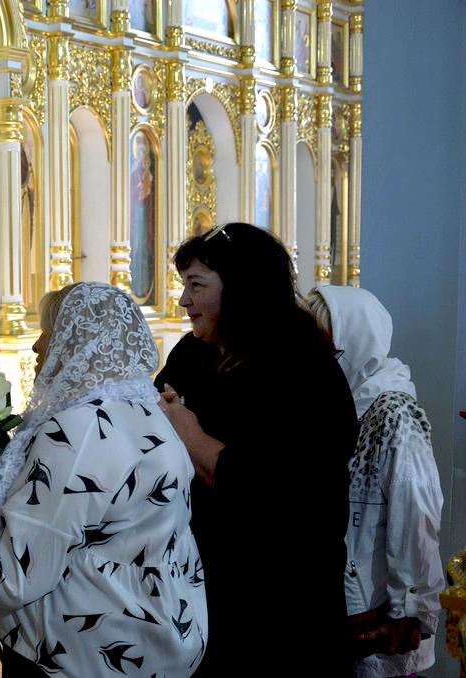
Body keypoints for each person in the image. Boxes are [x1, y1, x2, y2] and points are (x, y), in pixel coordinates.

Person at [0, 282, 208, 676]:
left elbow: (16, 575)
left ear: (76, 341)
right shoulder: (150, 410)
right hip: (161, 634)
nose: (36, 346)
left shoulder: (77, 431)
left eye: (48, 332)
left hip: (83, 652)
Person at [154, 223, 358, 676]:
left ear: (242, 288)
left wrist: (188, 431)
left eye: (196, 286)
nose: (184, 300)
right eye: (184, 285)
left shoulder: (303, 370)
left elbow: (265, 488)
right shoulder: (194, 352)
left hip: (281, 594)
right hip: (204, 579)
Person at [306, 285, 445, 677]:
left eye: (322, 344)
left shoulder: (393, 410)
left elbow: (415, 515)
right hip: (344, 607)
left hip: (378, 613)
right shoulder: (335, 405)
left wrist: (409, 610)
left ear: (352, 341)